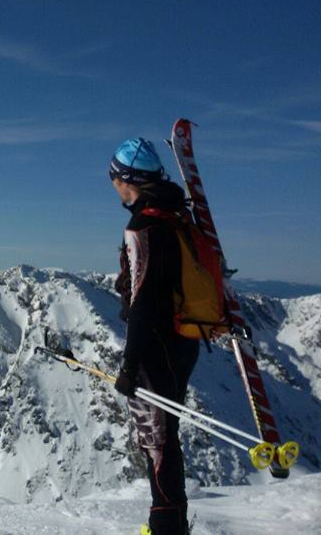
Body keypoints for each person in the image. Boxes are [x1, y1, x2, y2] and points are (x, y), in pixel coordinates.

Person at [110, 138, 200, 535]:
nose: (113, 185)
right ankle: (170, 522)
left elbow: (144, 300)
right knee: (167, 437)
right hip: (184, 341)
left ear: (128, 178)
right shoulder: (175, 217)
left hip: (155, 346)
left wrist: (129, 365)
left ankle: (165, 527)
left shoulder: (142, 226)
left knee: (156, 442)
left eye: (114, 178)